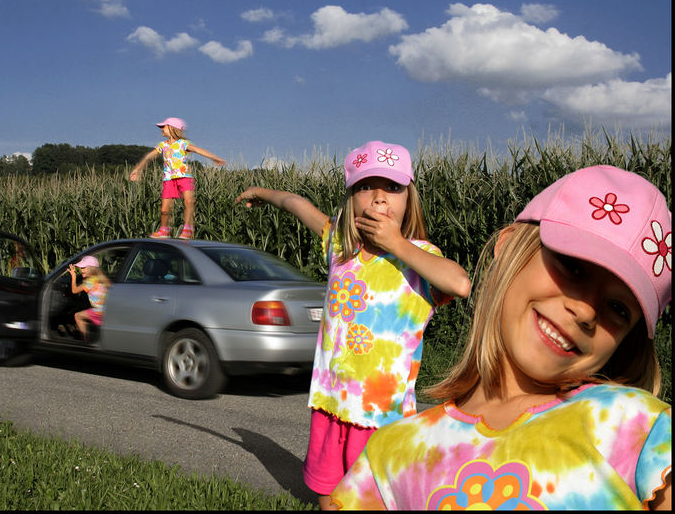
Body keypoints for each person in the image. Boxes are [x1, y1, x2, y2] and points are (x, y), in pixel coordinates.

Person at [329, 165, 672, 510]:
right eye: (573, 267)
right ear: (508, 247)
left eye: (618, 308)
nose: (585, 312)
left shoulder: (641, 430)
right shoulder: (392, 454)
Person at [236, 141, 471, 509]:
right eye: (365, 187)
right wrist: (262, 193)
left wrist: (397, 243)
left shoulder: (420, 258)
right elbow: (297, 205)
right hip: (330, 405)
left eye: (392, 188)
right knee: (328, 496)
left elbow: (459, 283)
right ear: (351, 199)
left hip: (382, 417)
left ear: (409, 198)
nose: (379, 198)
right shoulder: (339, 247)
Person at [129, 117, 226, 240]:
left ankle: (188, 229)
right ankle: (165, 230)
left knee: (188, 201)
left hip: (184, 178)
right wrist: (138, 169)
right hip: (169, 179)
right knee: (164, 209)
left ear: (172, 128)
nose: (161, 129)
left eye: (164, 126)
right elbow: (149, 157)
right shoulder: (162, 145)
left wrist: (214, 158)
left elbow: (198, 150)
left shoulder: (182, 144)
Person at [66, 255, 111, 340]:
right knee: (86, 316)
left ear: (91, 269)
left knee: (77, 316)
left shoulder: (89, 282)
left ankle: (85, 341)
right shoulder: (100, 279)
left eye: (84, 268)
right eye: (81, 268)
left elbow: (74, 290)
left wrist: (73, 276)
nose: (81, 270)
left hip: (99, 311)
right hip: (107, 310)